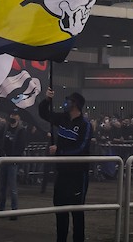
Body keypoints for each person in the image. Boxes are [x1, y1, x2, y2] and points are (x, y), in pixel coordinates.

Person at [38, 87, 93, 242]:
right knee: (60, 209)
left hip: (78, 174)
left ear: (75, 104)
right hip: (61, 173)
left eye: (69, 100)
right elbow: (43, 113)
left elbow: (82, 148)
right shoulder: (62, 118)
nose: (66, 102)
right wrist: (47, 99)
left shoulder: (85, 125)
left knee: (77, 211)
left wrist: (59, 150)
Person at [0, 110, 30, 217]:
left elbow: (21, 146)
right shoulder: (5, 128)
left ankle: (14, 210)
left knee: (12, 187)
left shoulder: (21, 130)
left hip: (13, 161)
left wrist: (15, 157)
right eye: (11, 115)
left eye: (15, 115)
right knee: (2, 186)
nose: (12, 116)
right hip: (3, 159)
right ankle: (1, 208)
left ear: (18, 117)